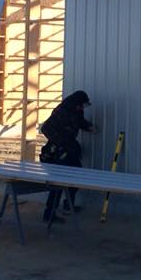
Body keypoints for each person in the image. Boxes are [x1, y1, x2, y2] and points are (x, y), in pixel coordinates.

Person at [39, 90, 98, 223]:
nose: (82, 108)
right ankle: (49, 214)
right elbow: (45, 128)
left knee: (77, 175)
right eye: (80, 105)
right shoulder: (61, 111)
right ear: (74, 103)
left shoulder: (77, 111)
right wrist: (61, 143)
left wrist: (89, 127)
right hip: (58, 152)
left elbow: (80, 121)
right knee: (58, 184)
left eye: (83, 106)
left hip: (70, 149)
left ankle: (68, 204)